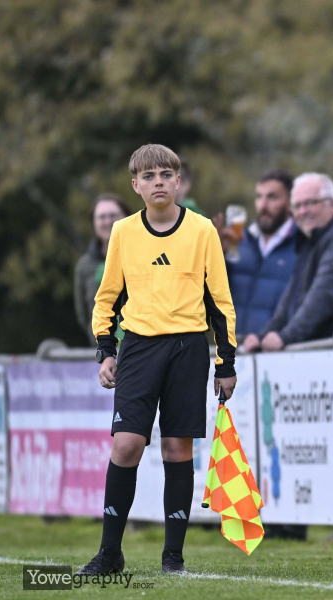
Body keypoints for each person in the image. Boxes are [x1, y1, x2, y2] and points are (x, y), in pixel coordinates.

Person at [79, 144, 237, 575]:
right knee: (126, 444)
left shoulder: (203, 230)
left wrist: (226, 364)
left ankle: (173, 558)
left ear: (179, 181)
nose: (159, 182)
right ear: (136, 186)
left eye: (167, 174)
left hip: (188, 349)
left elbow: (220, 300)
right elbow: (107, 297)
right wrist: (106, 350)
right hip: (139, 349)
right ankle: (110, 552)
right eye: (149, 177)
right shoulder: (123, 232)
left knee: (175, 447)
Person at [246, 173, 333, 351]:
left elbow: (323, 296)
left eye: (310, 203)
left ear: (332, 204)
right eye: (297, 206)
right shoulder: (312, 238)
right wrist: (265, 334)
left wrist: (286, 336)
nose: (302, 211)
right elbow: (289, 299)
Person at [216, 169, 299, 341]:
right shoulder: (239, 242)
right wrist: (215, 255)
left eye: (272, 197)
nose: (263, 205)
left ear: (290, 202)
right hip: (236, 350)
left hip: (281, 350)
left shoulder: (302, 244)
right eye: (259, 197)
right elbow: (209, 296)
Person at [74, 194, 131, 346]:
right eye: (101, 217)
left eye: (113, 215)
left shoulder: (145, 254)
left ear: (126, 217)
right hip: (103, 351)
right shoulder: (84, 266)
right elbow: (83, 315)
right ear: (93, 222)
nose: (108, 221)